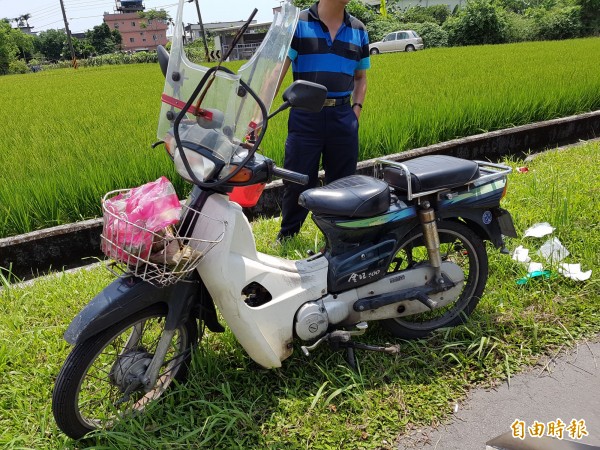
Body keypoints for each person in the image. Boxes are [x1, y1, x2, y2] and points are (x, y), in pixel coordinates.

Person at [276, 0, 370, 241]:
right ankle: (288, 234)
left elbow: (360, 78)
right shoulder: (298, 25)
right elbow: (277, 73)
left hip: (342, 116)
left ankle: (339, 238)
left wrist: (355, 112)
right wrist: (256, 113)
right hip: (305, 115)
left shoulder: (359, 30)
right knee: (297, 179)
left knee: (343, 183)